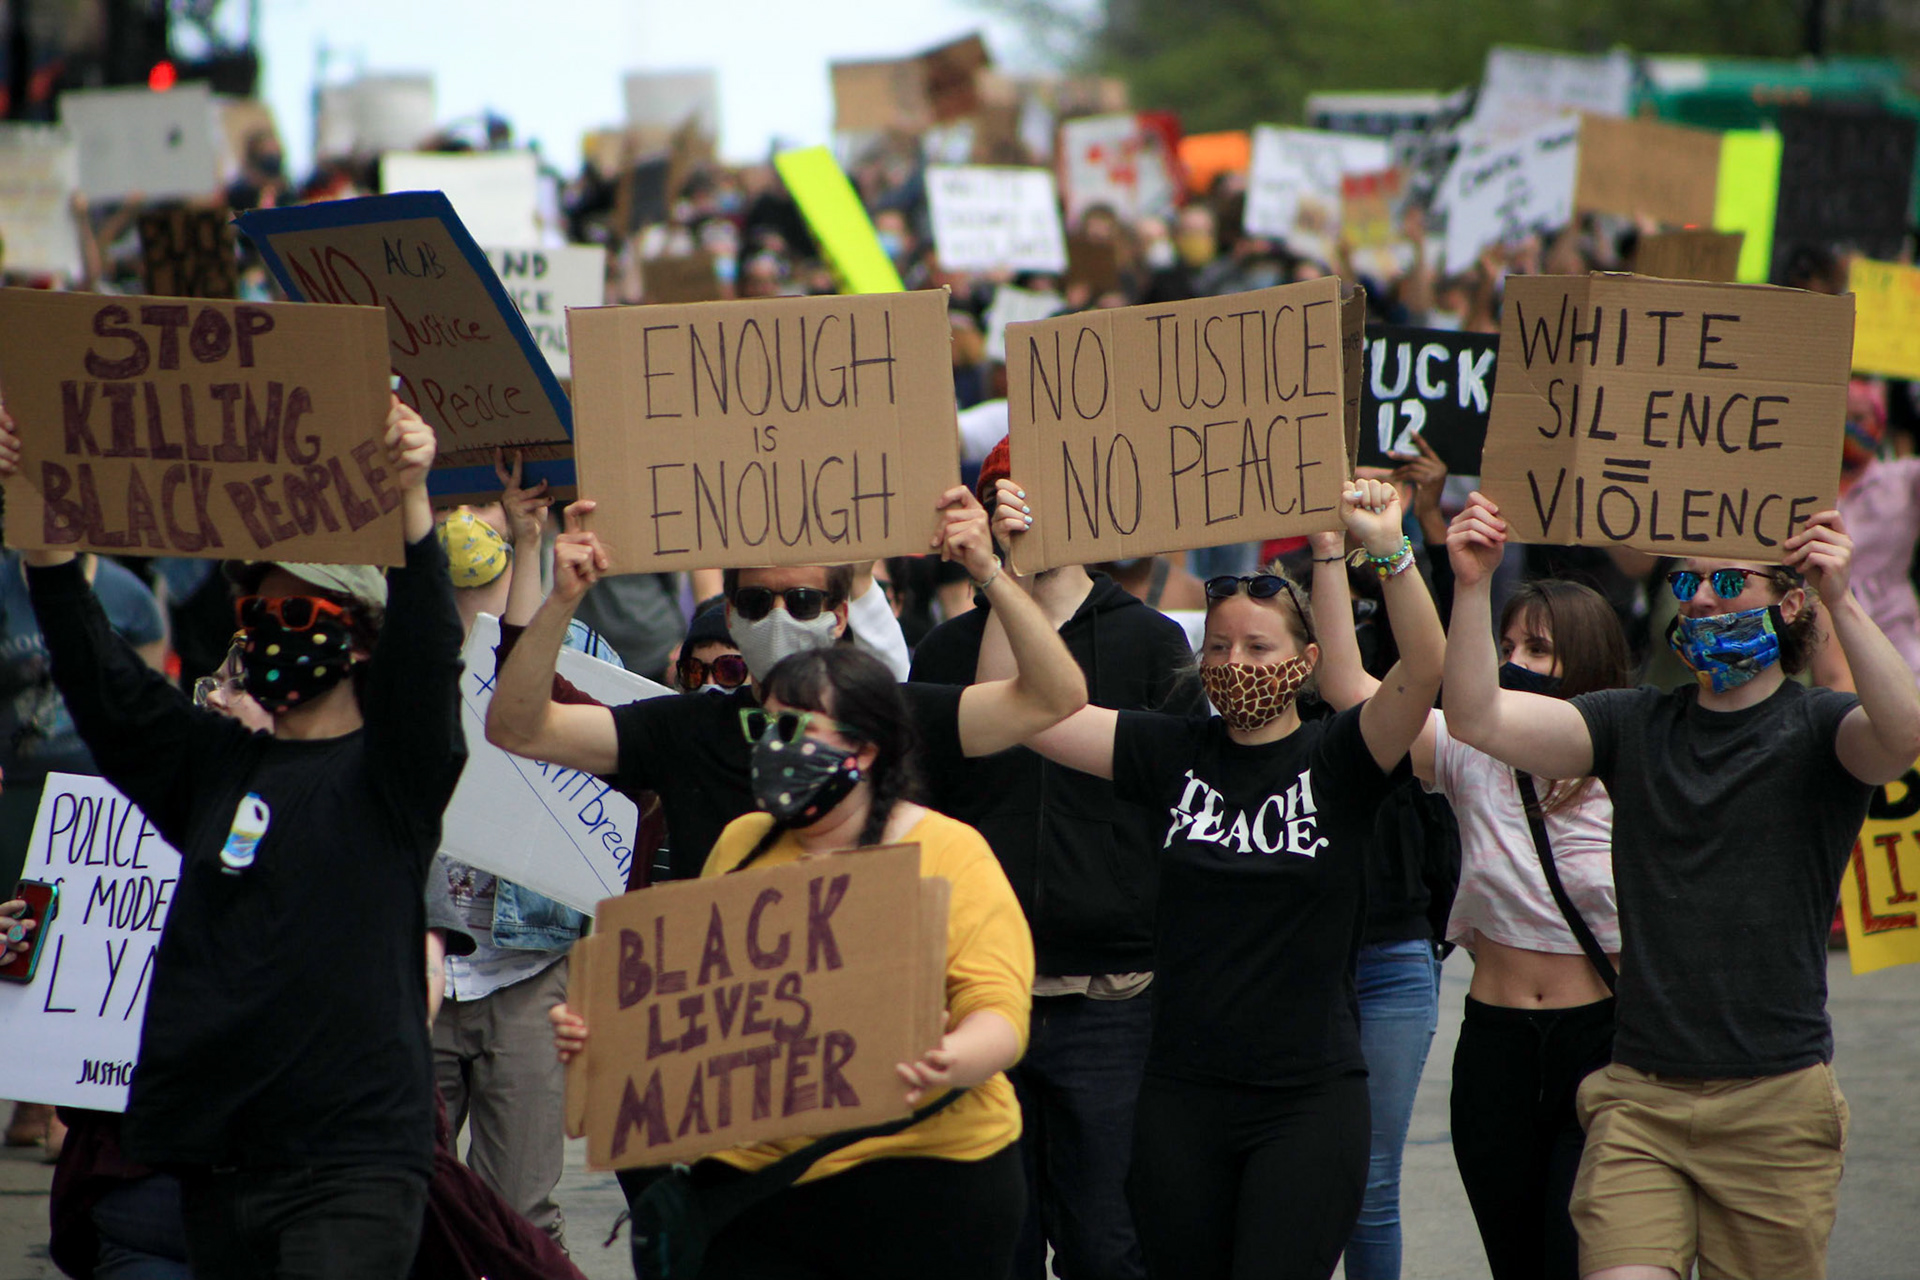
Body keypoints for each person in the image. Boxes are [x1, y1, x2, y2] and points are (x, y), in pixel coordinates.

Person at [0, 398, 465, 1280]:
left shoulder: (393, 777)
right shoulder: (214, 768)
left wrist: (412, 504)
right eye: (255, 613)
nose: (266, 630)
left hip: (352, 1167)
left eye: (297, 613)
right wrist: (48, 544)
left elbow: (429, 659)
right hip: (220, 1166)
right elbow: (106, 686)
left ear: (360, 640)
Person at [1441, 493, 1920, 1280]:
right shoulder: (1634, 723)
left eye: (1727, 583)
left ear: (1788, 603)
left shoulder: (1821, 730)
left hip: (1774, 1103)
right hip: (1640, 1098)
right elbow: (1477, 720)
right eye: (1687, 580)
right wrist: (1471, 585)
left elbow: (1903, 735)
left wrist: (1841, 595)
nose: (1699, 597)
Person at [1017, 477, 1447, 1280]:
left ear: (1307, 662)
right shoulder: (1171, 749)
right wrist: (1008, 576)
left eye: (1257, 648)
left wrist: (1390, 550)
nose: (1233, 663)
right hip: (1180, 1096)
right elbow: (1033, 713)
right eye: (1218, 648)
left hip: (1307, 1101)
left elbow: (1423, 669)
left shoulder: (1342, 757)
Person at [910, 444, 1204, 1280]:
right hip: (977, 996)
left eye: (1033, 501)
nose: (1018, 517)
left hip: (1112, 998)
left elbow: (1185, 807)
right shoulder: (947, 651)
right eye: (1001, 500)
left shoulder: (1152, 642)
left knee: (1107, 1248)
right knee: (994, 1247)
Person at [484, 487, 1088, 886]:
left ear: (839, 615)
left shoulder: (897, 715)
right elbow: (519, 727)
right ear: (729, 615)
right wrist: (564, 597)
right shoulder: (683, 726)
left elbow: (1053, 696)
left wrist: (987, 569)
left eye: (801, 601)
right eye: (754, 602)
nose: (777, 618)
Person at [1321, 561, 1625, 1280]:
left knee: (1579, 1258)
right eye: (1508, 646)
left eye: (1540, 649)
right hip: (1496, 1050)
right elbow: (1344, 684)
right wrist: (1333, 553)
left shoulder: (1633, 762)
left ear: (1587, 663)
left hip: (1603, 1047)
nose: (1517, 663)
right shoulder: (1466, 750)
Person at [429, 459, 603, 1250]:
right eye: (452, 503)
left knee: (520, 1219)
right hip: (418, 964)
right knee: (403, 1207)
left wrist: (532, 546)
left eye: (486, 505)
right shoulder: (390, 646)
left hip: (528, 970)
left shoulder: (581, 650)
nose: (469, 521)